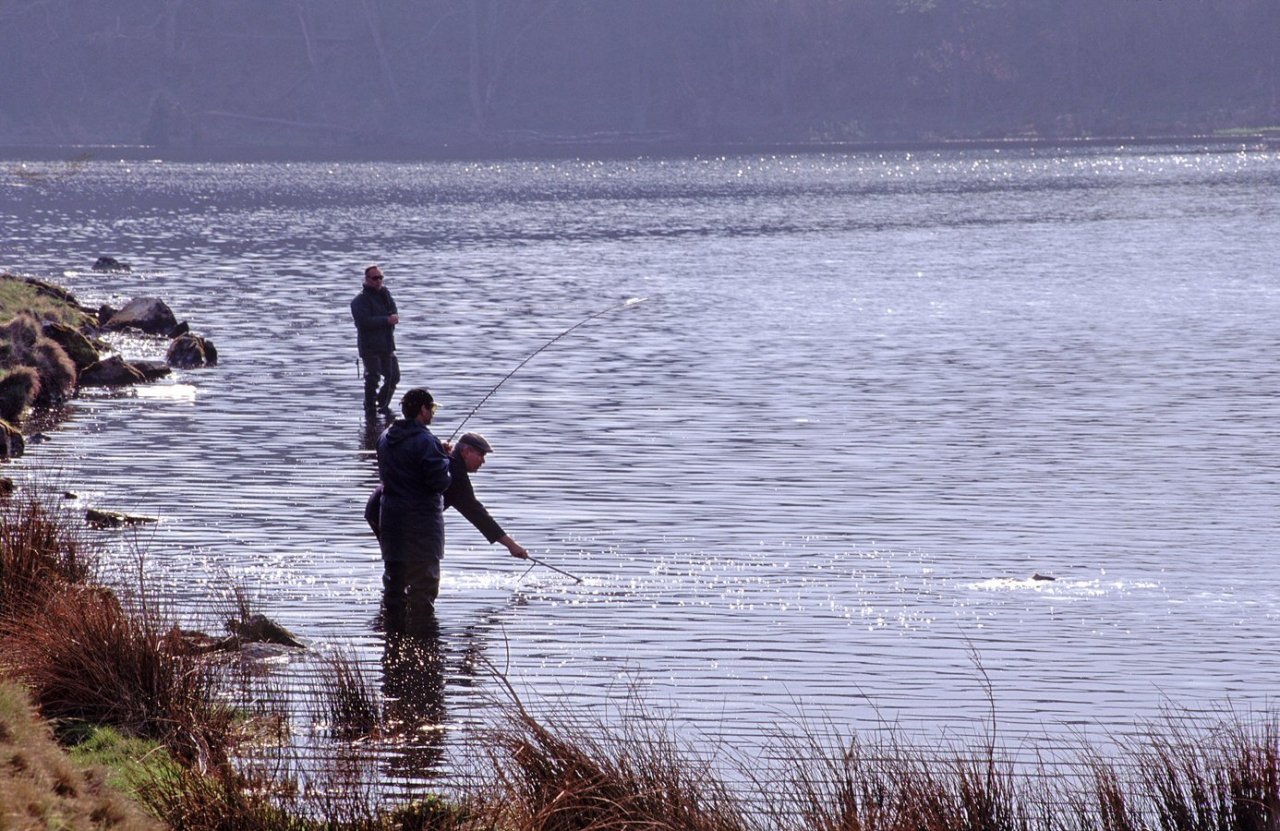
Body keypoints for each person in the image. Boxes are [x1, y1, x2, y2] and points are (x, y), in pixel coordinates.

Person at [365, 431, 529, 563]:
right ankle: (402, 599)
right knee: (413, 568)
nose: (483, 461)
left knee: (400, 566)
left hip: (380, 507)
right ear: (465, 451)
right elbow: (477, 514)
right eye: (481, 455)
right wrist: (511, 545)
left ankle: (398, 599)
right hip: (392, 512)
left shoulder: (441, 458)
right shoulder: (455, 474)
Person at [375, 388, 450, 627]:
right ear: (422, 410)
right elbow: (439, 482)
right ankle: (424, 643)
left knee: (394, 586)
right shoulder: (428, 442)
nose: (433, 414)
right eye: (432, 409)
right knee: (423, 588)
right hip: (422, 526)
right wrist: (446, 461)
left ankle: (392, 644)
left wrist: (439, 454)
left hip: (391, 521)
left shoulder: (385, 437)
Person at [350, 264, 400, 416]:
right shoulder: (360, 300)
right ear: (367, 279)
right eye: (375, 278)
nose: (378, 281)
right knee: (372, 378)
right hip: (369, 347)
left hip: (387, 344)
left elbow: (393, 310)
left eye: (380, 277)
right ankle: (370, 409)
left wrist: (393, 318)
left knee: (394, 377)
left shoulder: (386, 294)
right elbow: (363, 322)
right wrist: (386, 320)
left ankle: (382, 405)